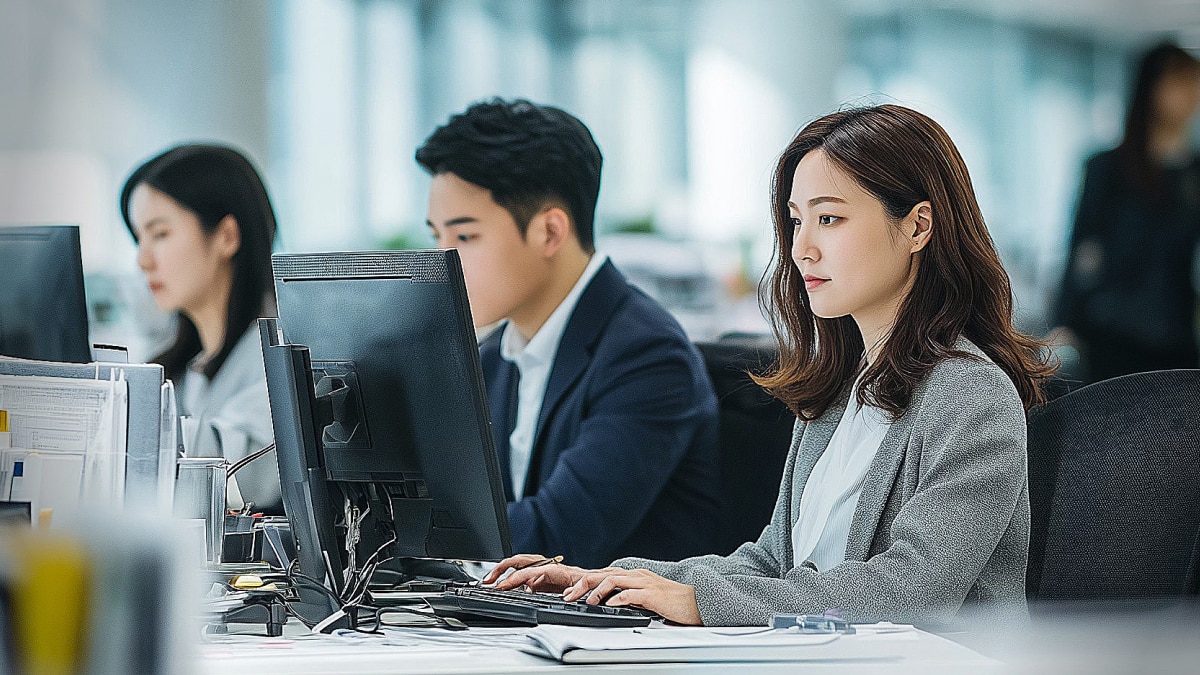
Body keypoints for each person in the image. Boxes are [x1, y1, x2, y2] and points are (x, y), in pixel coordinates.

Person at [486, 104, 1056, 626]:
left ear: (917, 226)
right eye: (795, 220)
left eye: (829, 219)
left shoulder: (971, 394)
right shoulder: (839, 395)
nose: (801, 247)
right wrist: (615, 580)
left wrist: (704, 603)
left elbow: (911, 590)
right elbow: (772, 562)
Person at [416, 98, 720, 569]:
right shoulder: (493, 357)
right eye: (436, 235)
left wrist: (399, 533)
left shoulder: (647, 357)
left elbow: (555, 537)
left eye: (465, 236)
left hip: (630, 637)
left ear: (550, 232)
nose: (441, 261)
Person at [121, 143, 281, 513]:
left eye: (159, 234)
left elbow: (237, 477)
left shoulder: (280, 356)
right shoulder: (177, 368)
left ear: (226, 236)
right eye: (138, 238)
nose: (143, 260)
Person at [1055, 43, 1200, 383]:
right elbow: (1082, 248)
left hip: (1176, 336)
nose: (1192, 95)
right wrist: (1065, 320)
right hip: (1114, 333)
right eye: (1181, 82)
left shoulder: (1192, 172)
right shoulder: (1108, 168)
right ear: (1152, 87)